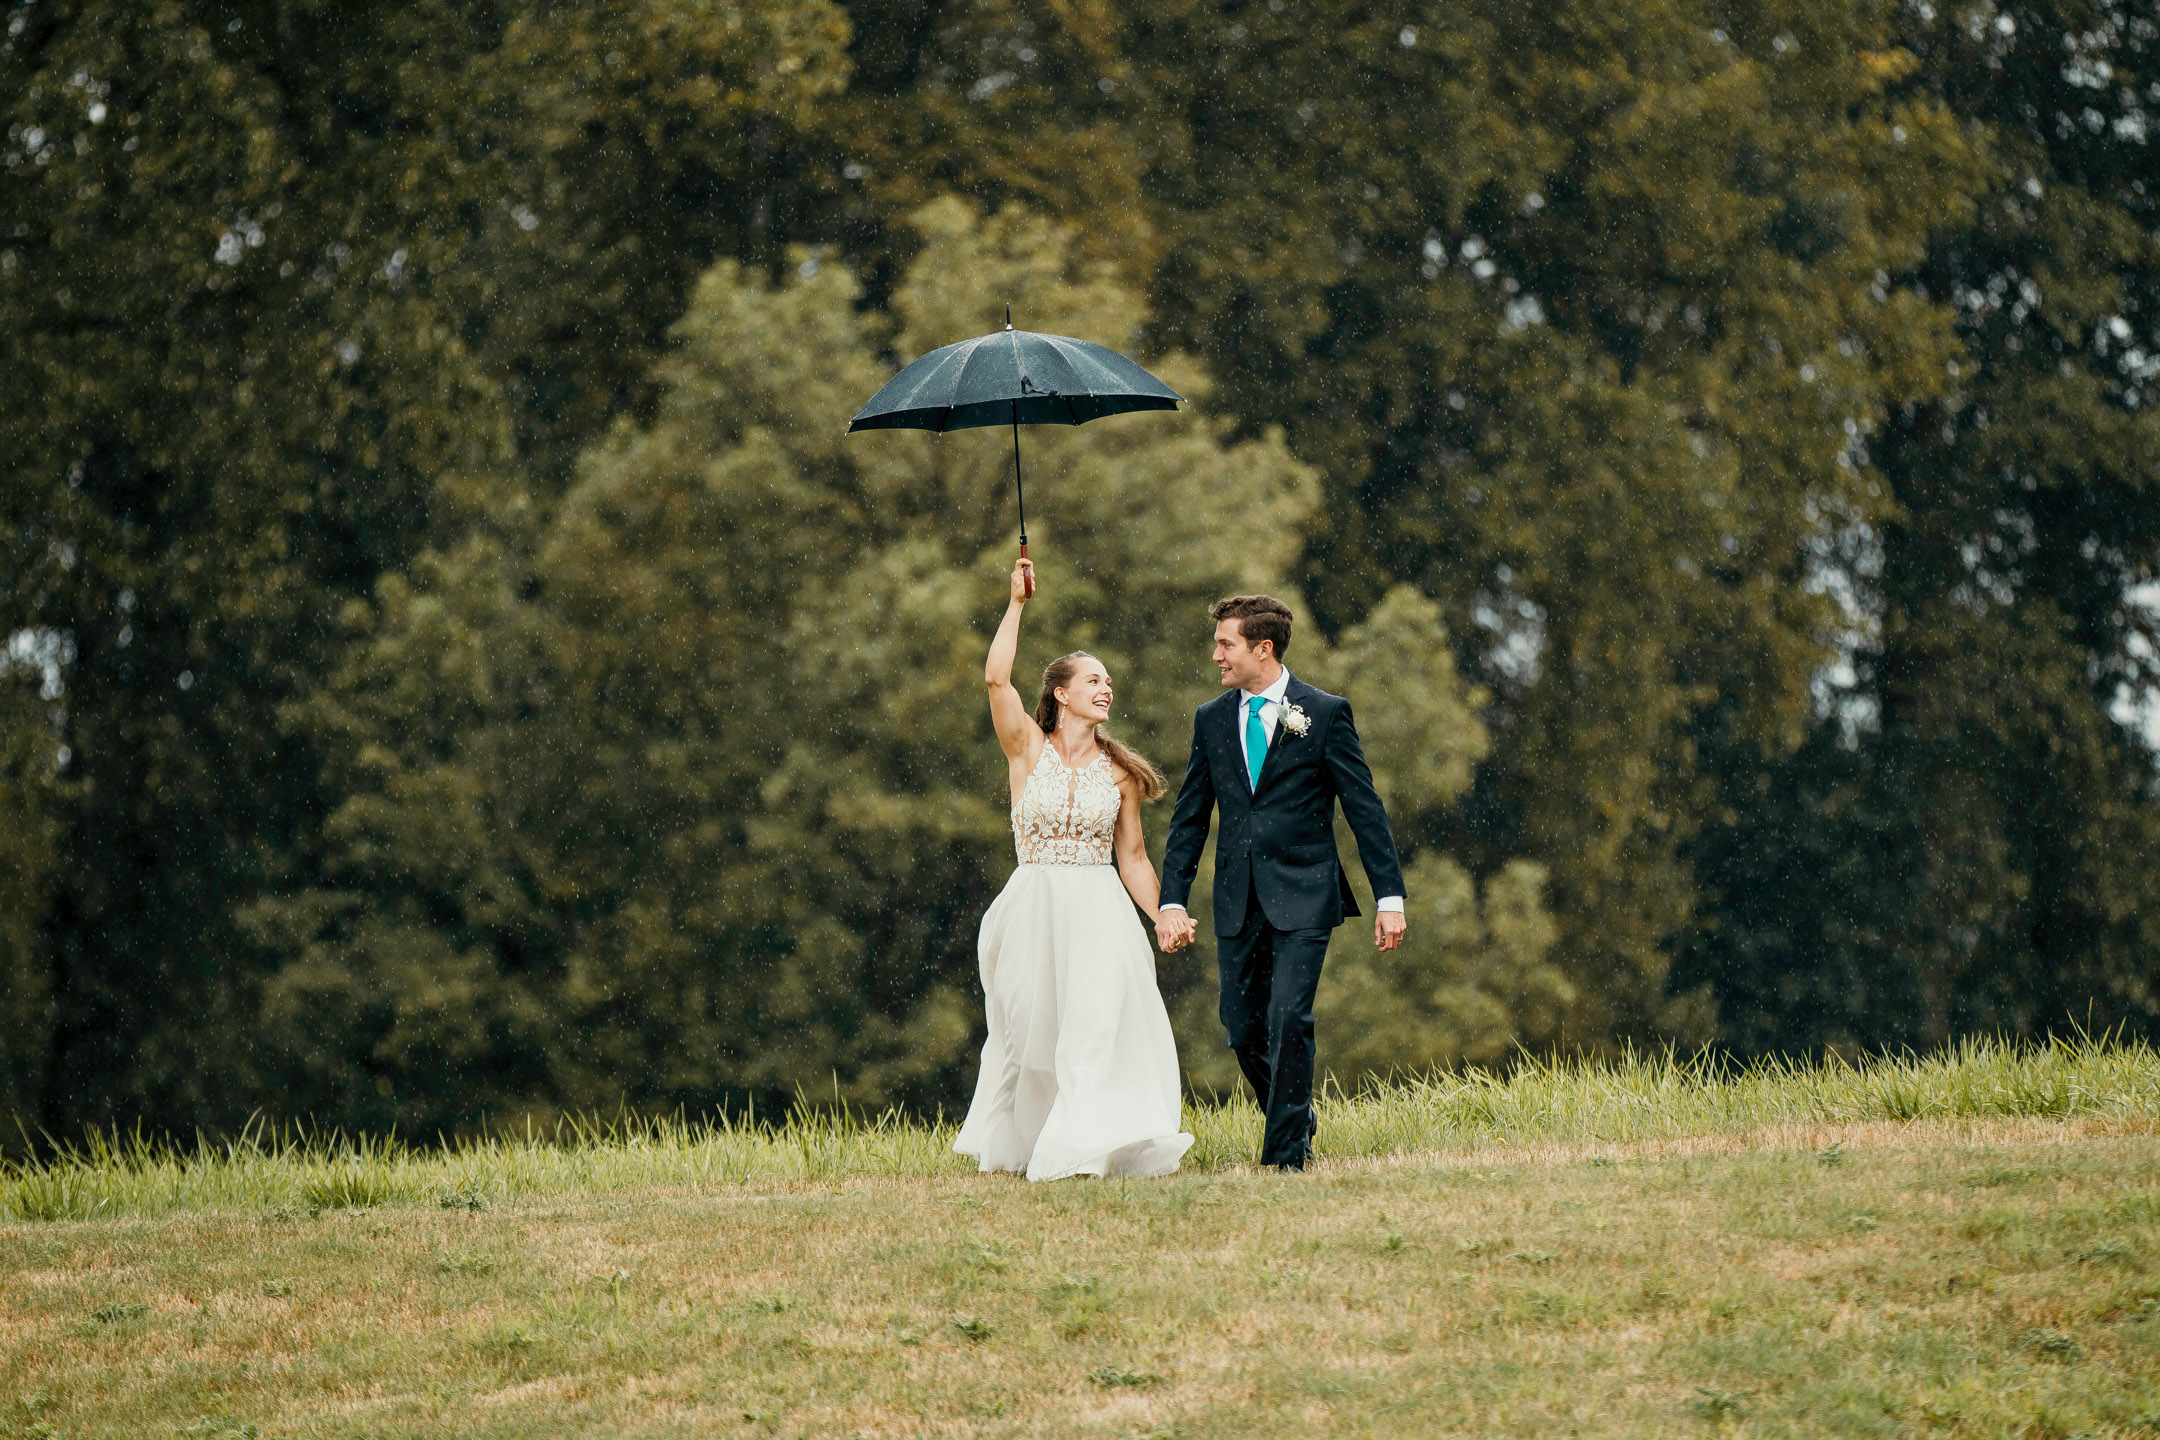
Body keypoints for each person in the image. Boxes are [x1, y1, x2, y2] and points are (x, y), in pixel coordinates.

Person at [953, 557, 1195, 1180]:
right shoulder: (1026, 747)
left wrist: (1166, 912)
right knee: (1027, 1038)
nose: (1105, 688)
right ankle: (1031, 1139)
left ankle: (1085, 1147)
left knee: (1092, 1029)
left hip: (1098, 909)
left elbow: (1133, 857)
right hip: (1031, 903)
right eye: (1092, 680)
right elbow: (995, 679)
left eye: (1108, 681)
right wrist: (1016, 604)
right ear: (1061, 694)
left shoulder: (1120, 773)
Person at [1156, 594, 1407, 1171]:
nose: (1215, 654)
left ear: (1261, 649)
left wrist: (1388, 899)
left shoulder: (1324, 713)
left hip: (1306, 893)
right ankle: (1296, 1112)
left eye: (1226, 644)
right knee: (1243, 1032)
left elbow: (1364, 811)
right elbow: (1191, 817)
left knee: (1290, 1017)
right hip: (1236, 899)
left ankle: (1284, 1158)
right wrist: (1172, 898)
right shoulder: (1211, 719)